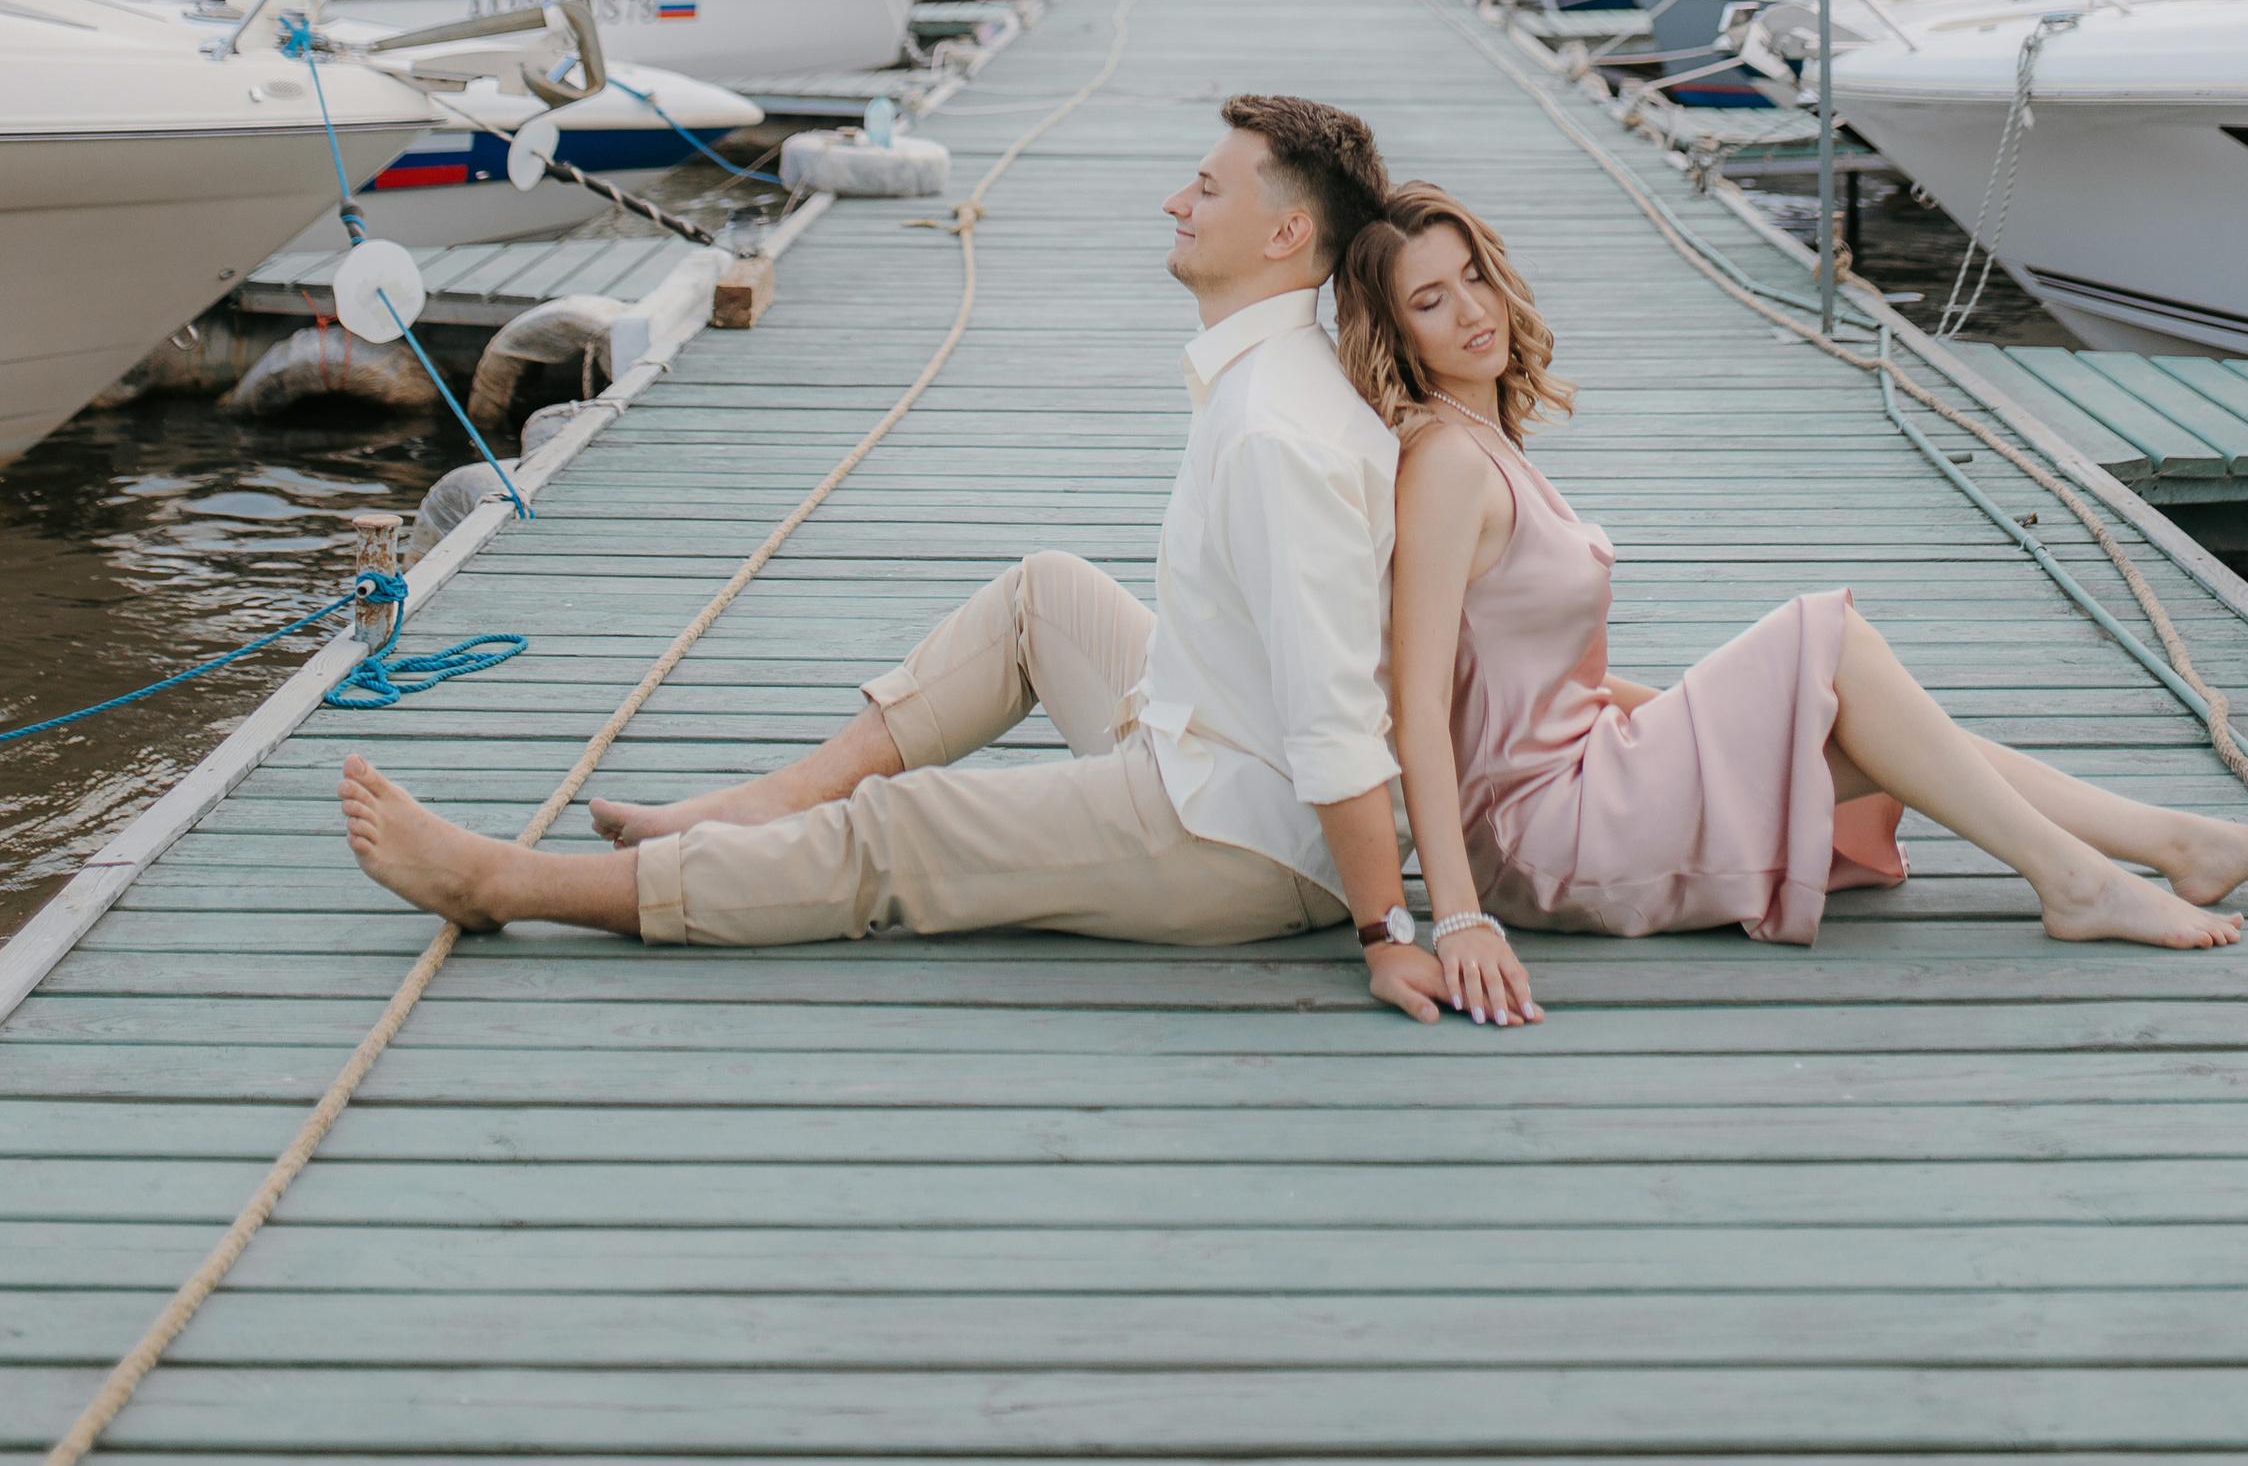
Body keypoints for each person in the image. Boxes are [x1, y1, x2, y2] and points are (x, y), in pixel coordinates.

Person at [339, 95, 1465, 1023]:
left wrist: (1387, 933)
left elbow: (1331, 716)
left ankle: (518, 884)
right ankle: (768, 802)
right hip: (1215, 738)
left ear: (1285, 236)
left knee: (900, 832)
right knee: (1045, 594)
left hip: (1244, 834)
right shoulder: (1274, 376)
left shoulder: (1275, 432)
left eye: (1208, 189)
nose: (1176, 200)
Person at [1337, 183, 2248, 1030]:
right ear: (1395, 332)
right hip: (1546, 838)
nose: (1471, 309)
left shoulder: (1487, 442)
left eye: (1472, 275)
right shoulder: (1445, 466)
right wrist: (1457, 918)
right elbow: (1418, 712)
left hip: (1593, 768)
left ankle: (2177, 845)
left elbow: (1533, 679)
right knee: (1828, 645)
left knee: (1875, 721)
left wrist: (1690, 717)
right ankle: (2079, 882)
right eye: (1429, 300)